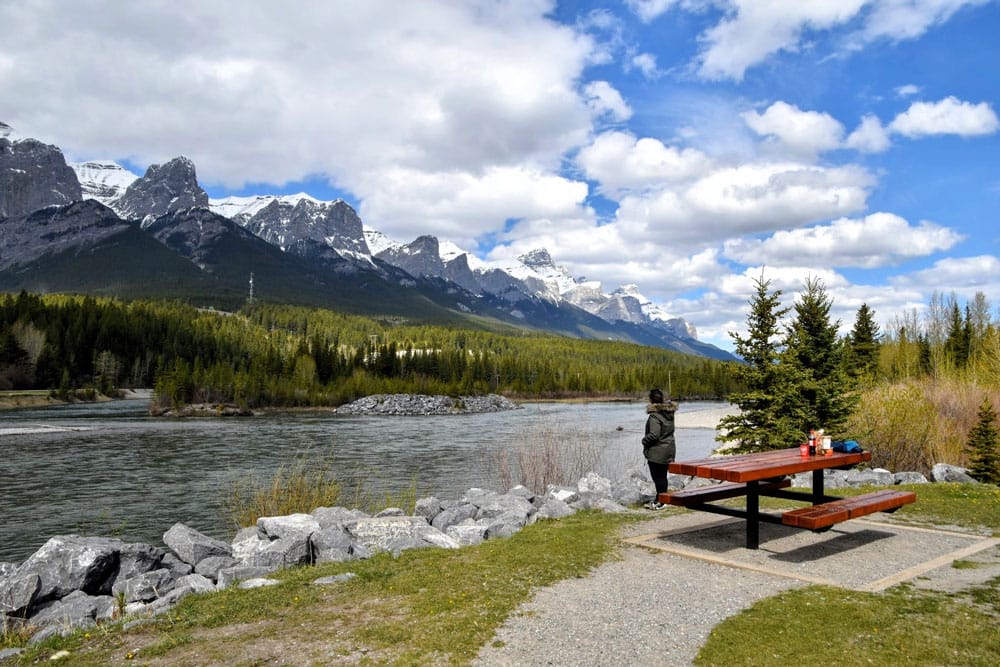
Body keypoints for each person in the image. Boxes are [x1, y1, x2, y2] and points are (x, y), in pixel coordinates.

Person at [642, 387, 677, 509]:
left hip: (657, 451)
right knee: (662, 476)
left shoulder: (654, 416)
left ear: (651, 400)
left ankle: (661, 501)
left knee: (658, 477)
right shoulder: (669, 413)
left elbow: (654, 435)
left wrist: (644, 440)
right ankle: (660, 498)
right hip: (669, 449)